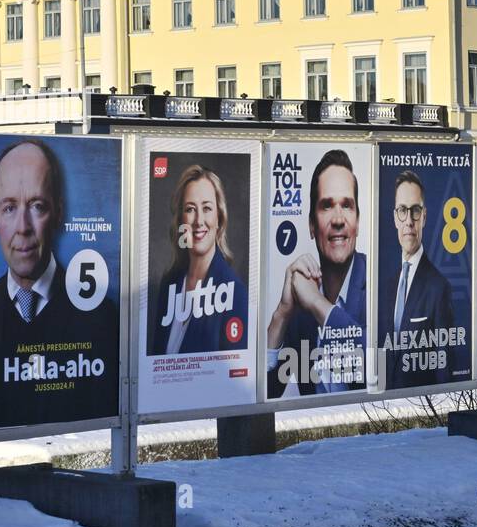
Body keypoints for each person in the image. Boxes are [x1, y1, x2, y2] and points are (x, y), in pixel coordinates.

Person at [0, 139, 117, 425]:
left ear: (58, 212)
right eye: (9, 208)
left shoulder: (102, 318)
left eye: (37, 206)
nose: (23, 227)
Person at [267, 149, 367, 397]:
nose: (338, 219)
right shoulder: (300, 303)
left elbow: (375, 361)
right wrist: (282, 313)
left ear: (357, 222)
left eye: (347, 205)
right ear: (312, 225)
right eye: (326, 206)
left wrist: (316, 303)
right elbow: (261, 392)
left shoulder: (380, 282)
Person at [148, 163, 248, 356]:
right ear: (180, 220)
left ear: (219, 218)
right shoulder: (170, 284)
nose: (199, 221)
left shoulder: (234, 293)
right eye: (190, 209)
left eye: (207, 208)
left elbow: (234, 377)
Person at [380, 170, 455, 389]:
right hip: (386, 406)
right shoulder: (386, 288)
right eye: (403, 210)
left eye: (415, 210)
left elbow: (444, 368)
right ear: (395, 218)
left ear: (424, 217)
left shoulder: (439, 288)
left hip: (421, 405)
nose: (409, 221)